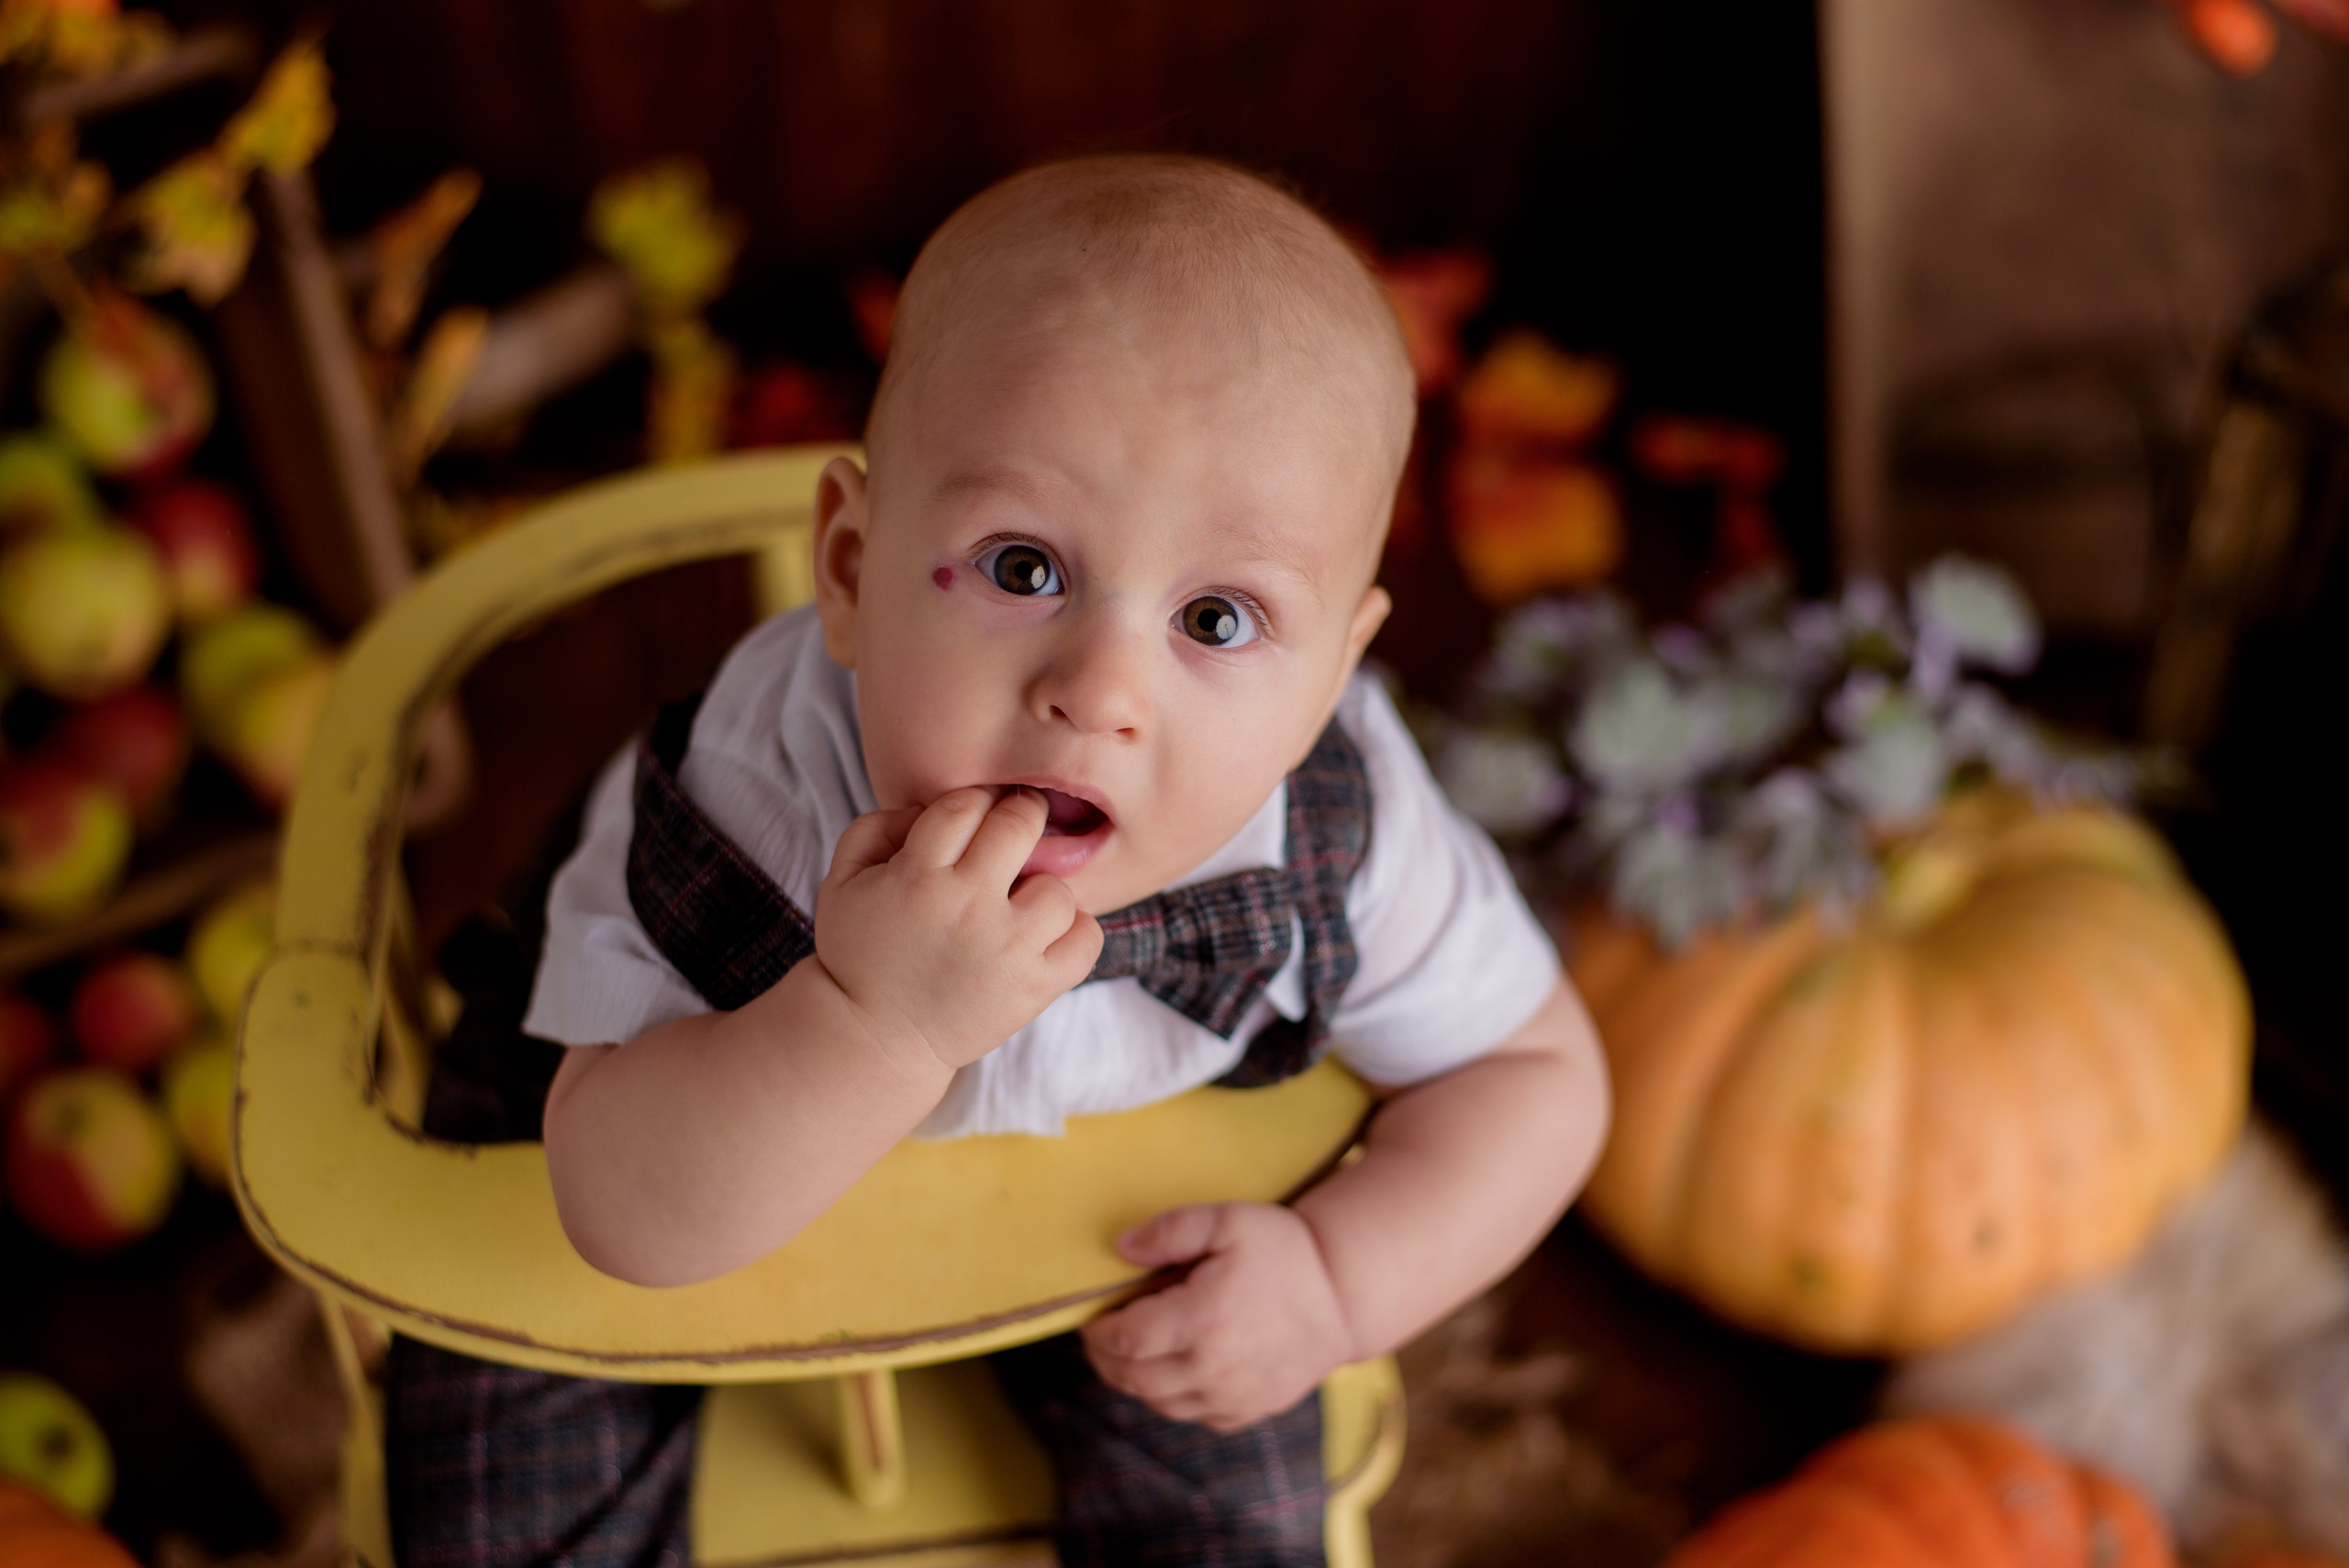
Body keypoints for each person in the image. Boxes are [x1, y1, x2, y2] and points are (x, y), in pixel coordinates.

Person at [384, 152, 1610, 1568]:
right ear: (845, 569)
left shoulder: (1346, 828)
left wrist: (1338, 1283)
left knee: (1228, 1474)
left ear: (1338, 667)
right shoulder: (743, 803)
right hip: (693, 1116)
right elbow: (619, 1209)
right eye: (1025, 567)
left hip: (1107, 1210)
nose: (1099, 689)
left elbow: (1538, 1081)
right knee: (501, 1464)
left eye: (1218, 619)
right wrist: (871, 1019)